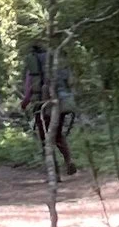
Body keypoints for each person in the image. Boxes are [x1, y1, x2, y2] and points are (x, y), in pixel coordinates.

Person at [20, 40, 77, 177]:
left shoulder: (33, 66)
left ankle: (54, 172)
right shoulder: (54, 63)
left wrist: (24, 103)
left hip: (42, 105)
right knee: (57, 133)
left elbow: (29, 90)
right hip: (61, 101)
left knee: (45, 138)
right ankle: (69, 160)